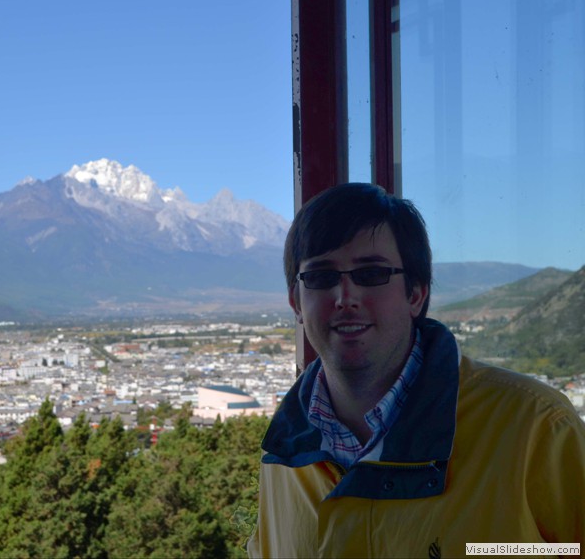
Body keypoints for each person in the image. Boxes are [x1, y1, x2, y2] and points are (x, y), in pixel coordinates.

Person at [247, 183, 584, 558]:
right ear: (296, 302)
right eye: (321, 277)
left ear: (416, 294)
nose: (345, 298)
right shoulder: (282, 456)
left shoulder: (533, 427)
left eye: (371, 274)